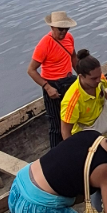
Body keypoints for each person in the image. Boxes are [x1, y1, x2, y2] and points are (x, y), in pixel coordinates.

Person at [28, 11, 79, 149]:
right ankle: (56, 153)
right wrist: (47, 87)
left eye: (66, 28)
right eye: (60, 29)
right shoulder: (44, 44)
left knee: (72, 119)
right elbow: (31, 70)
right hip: (52, 84)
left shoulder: (69, 38)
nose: (63, 32)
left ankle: (73, 148)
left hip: (68, 81)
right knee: (56, 125)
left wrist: (81, 75)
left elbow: (73, 57)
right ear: (52, 27)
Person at [60, 50, 107, 140]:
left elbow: (104, 94)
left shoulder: (99, 80)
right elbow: (65, 132)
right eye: (93, 78)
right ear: (81, 76)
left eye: (99, 75)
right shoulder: (71, 101)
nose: (98, 80)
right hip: (88, 134)